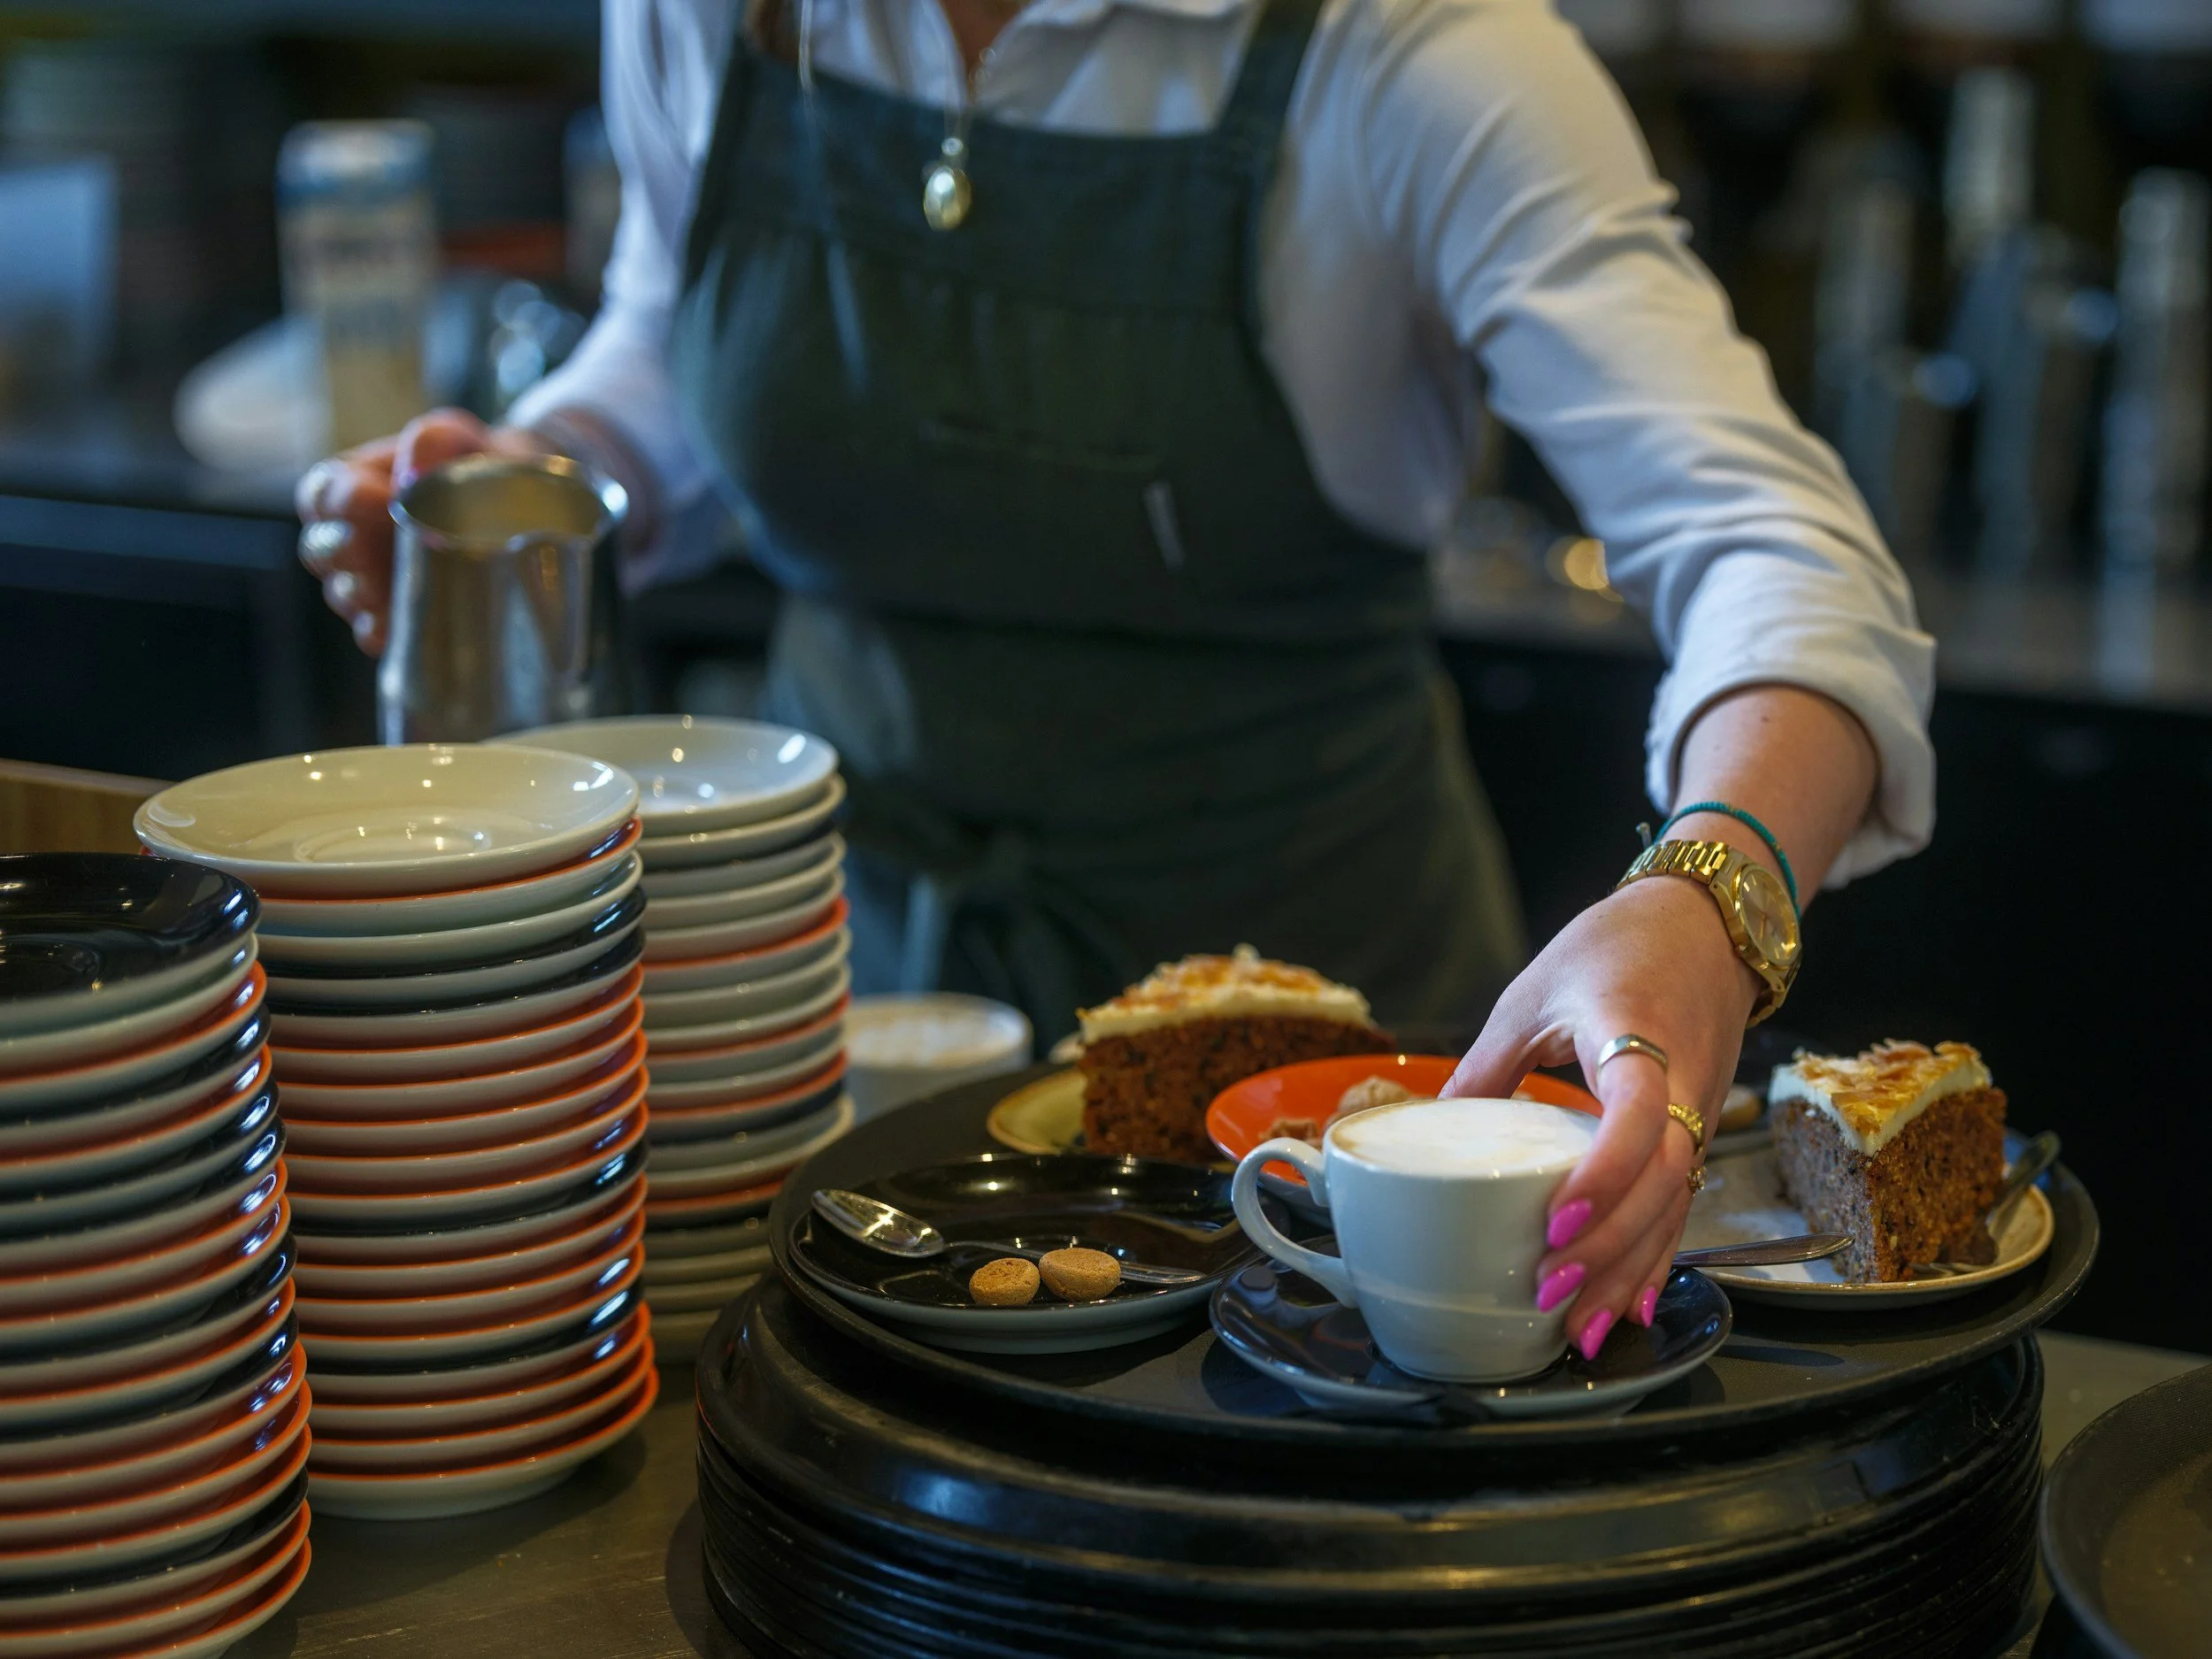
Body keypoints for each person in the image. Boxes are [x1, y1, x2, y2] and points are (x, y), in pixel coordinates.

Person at [296, 0, 1932, 1364]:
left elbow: (1776, 548)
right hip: (837, 1037)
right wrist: (549, 477)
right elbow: (679, 344)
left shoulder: (1415, 54)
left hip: (1320, 1126)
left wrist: (1714, 893)